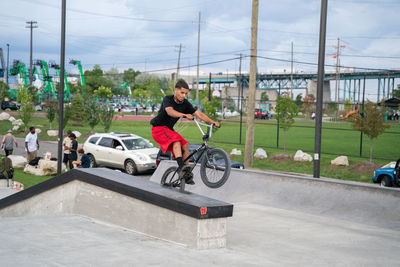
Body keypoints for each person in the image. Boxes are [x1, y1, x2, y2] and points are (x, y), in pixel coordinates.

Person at [150, 79, 219, 184]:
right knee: (176, 140)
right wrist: (184, 115)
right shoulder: (167, 99)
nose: (183, 96)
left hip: (168, 130)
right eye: (182, 93)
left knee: (185, 145)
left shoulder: (185, 103)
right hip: (158, 129)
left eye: (186, 94)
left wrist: (212, 121)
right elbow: (170, 111)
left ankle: (186, 173)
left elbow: (199, 114)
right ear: (175, 90)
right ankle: (182, 167)